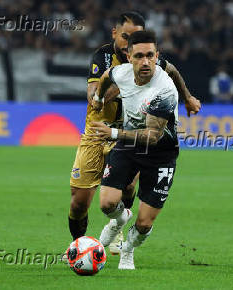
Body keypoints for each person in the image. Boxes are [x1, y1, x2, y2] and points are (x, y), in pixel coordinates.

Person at [67, 12, 201, 255]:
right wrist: (123, 87)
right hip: (98, 131)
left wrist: (188, 97)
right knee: (79, 201)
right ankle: (78, 246)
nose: (128, 41)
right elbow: (94, 93)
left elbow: (172, 70)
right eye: (125, 37)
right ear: (115, 34)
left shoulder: (148, 63)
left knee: (127, 186)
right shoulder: (105, 57)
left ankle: (117, 229)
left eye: (134, 37)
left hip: (129, 133)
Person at [91, 30, 180, 270]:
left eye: (150, 55)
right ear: (129, 57)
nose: (145, 62)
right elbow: (107, 75)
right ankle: (120, 219)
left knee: (144, 223)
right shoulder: (121, 72)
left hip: (161, 154)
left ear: (157, 55)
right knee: (107, 204)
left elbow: (152, 137)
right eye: (139, 56)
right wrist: (99, 97)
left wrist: (113, 133)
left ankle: (127, 250)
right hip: (129, 146)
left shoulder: (165, 90)